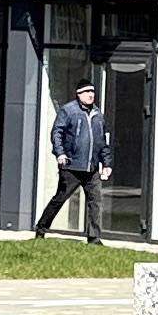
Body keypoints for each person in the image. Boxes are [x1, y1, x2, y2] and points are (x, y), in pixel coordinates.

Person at [34, 79, 111, 243]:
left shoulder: (98, 115)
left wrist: (106, 163)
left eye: (92, 91)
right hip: (71, 166)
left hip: (91, 169)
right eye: (87, 92)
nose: (90, 95)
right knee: (60, 199)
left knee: (95, 202)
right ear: (78, 94)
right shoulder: (68, 111)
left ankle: (94, 238)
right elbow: (57, 133)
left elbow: (102, 141)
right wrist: (60, 153)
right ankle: (41, 228)